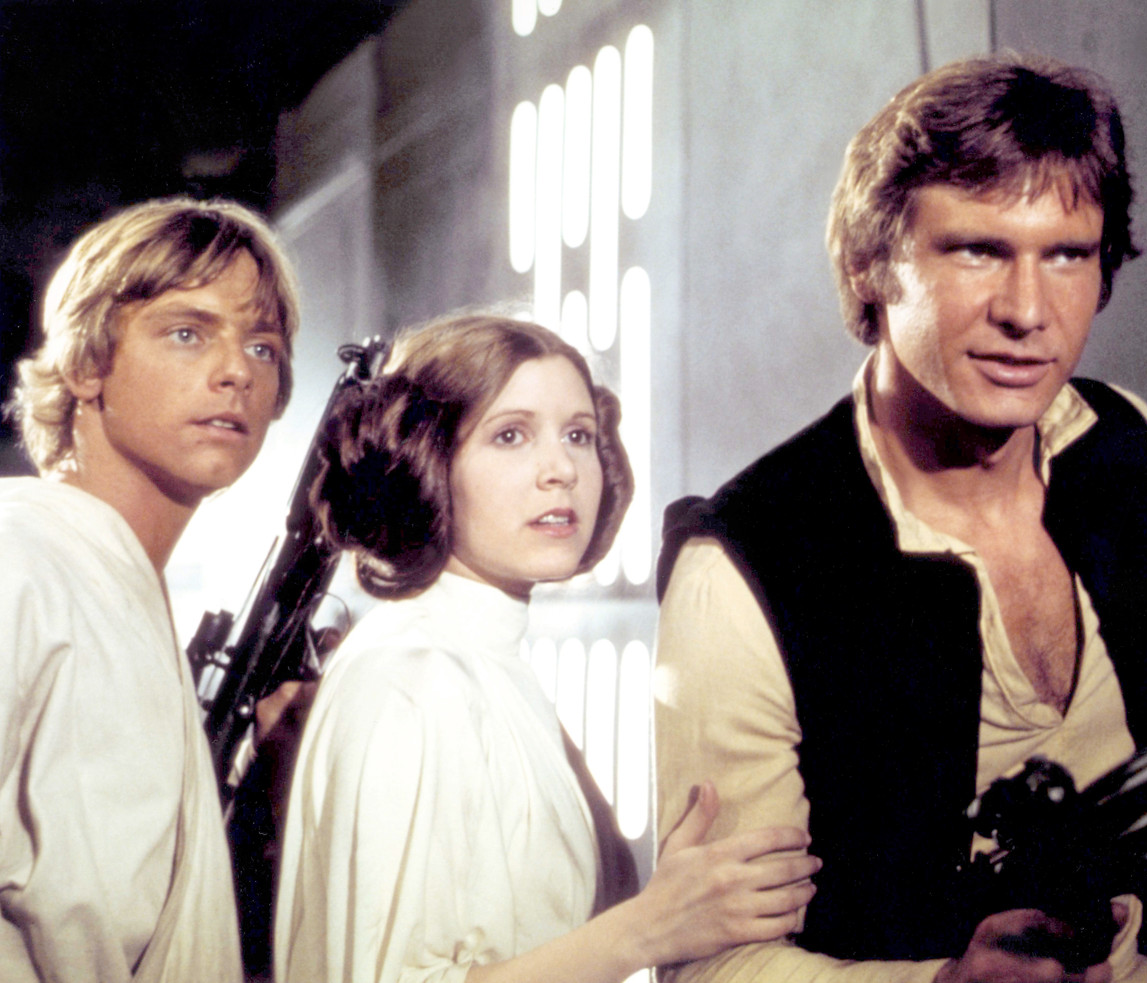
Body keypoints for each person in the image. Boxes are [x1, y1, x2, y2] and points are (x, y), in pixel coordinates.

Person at [654, 53, 1147, 983]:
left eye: (1067, 255)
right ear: (870, 264)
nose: (1028, 312)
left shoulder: (1118, 444)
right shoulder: (744, 567)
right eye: (977, 250)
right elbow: (713, 966)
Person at [274, 313, 821, 983]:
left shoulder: (483, 664)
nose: (562, 470)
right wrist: (648, 928)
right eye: (511, 435)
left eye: (579, 435)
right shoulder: (410, 676)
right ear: (424, 460)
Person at [1, 196, 299, 982]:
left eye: (263, 347)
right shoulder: (19, 554)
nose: (237, 371)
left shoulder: (124, 585)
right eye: (187, 332)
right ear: (86, 363)